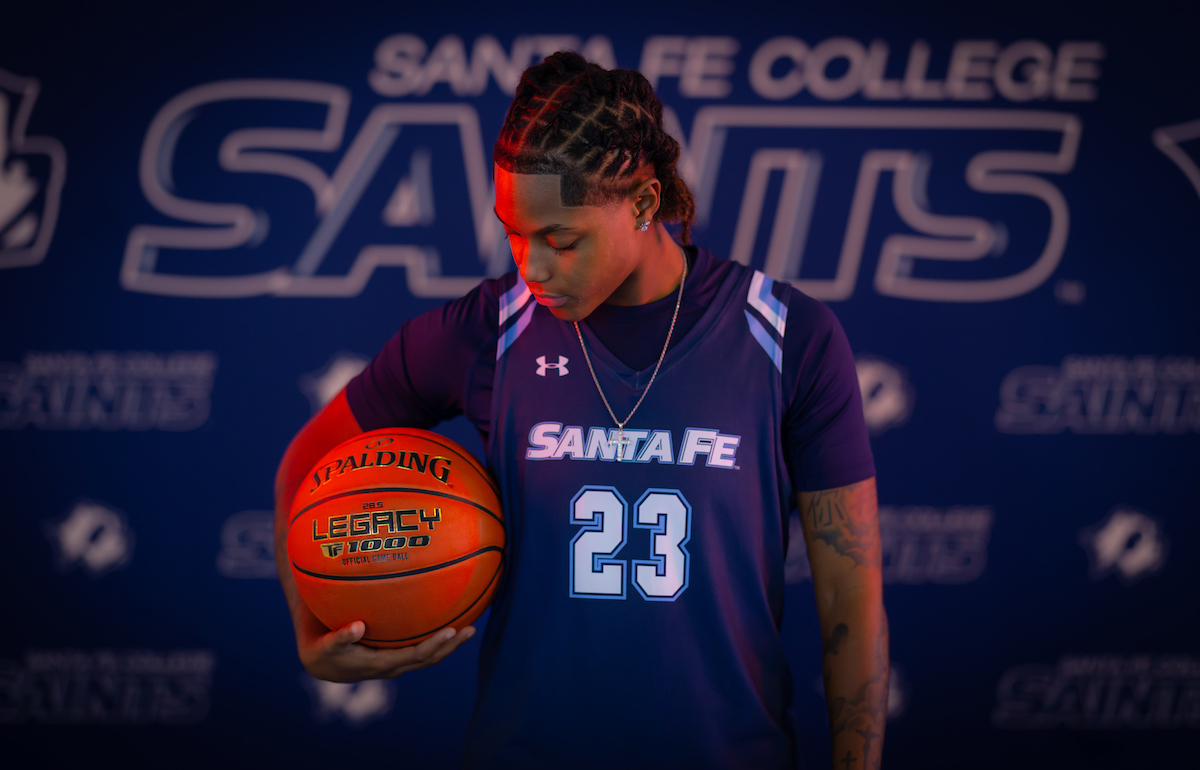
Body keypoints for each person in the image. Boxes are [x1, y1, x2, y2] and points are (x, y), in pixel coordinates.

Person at [274, 51, 888, 770]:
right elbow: (304, 465)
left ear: (644, 203)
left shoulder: (786, 335)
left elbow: (851, 598)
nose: (532, 266)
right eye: (513, 232)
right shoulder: (487, 331)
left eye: (561, 239)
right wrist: (312, 633)